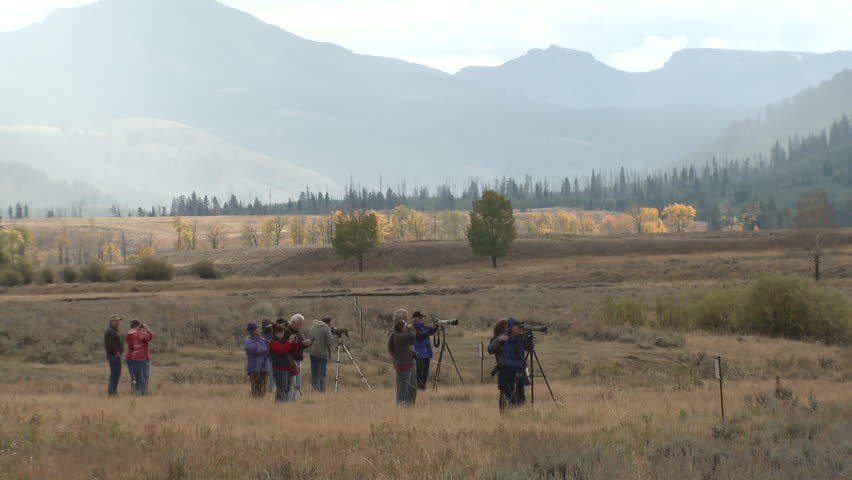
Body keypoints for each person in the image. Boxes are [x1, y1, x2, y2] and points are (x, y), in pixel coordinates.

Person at [488, 317, 533, 411]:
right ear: (512, 327)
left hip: (519, 372)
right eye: (518, 326)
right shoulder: (501, 338)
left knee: (520, 398)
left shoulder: (520, 339)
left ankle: (519, 417)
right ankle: (505, 419)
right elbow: (490, 349)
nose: (520, 328)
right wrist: (499, 340)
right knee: (505, 398)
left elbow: (530, 348)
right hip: (506, 373)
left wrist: (528, 337)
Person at [387, 309, 417, 406]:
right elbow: (411, 338)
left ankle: (408, 405)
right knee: (406, 386)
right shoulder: (397, 332)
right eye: (405, 317)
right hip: (403, 362)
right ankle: (404, 405)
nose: (408, 319)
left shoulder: (401, 330)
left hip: (407, 361)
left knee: (410, 385)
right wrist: (411, 329)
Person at [284, 314, 314, 401]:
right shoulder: (287, 332)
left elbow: (300, 344)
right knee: (291, 383)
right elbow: (288, 345)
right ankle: (289, 402)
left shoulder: (299, 332)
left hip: (299, 359)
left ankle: (295, 401)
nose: (301, 325)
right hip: (291, 360)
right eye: (300, 323)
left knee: (297, 384)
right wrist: (302, 343)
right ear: (293, 322)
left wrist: (307, 344)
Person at [268, 324, 300, 402]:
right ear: (278, 332)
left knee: (287, 389)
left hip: (288, 368)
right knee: (281, 389)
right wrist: (289, 341)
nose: (284, 334)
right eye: (283, 332)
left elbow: (293, 352)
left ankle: (283, 405)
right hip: (279, 369)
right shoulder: (273, 342)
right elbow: (282, 351)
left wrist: (294, 343)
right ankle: (279, 405)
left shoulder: (283, 341)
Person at [125, 320, 154, 396]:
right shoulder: (140, 334)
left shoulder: (128, 334)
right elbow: (150, 336)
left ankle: (134, 393)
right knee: (143, 377)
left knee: (134, 378)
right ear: (137, 326)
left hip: (130, 358)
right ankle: (143, 394)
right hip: (141, 358)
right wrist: (147, 328)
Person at [307, 316, 335, 393]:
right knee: (321, 374)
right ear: (328, 322)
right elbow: (330, 342)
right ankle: (321, 392)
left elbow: (308, 339)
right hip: (322, 354)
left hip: (312, 353)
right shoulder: (326, 328)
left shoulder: (313, 327)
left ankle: (314, 390)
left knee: (314, 374)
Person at [411, 311, 438, 390]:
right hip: (419, 353)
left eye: (422, 317)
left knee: (425, 374)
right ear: (415, 318)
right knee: (420, 372)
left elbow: (430, 331)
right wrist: (428, 330)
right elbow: (420, 336)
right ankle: (417, 388)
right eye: (420, 317)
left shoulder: (423, 327)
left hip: (426, 353)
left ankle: (422, 388)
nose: (421, 319)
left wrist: (435, 327)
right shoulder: (414, 327)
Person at [244, 322, 270, 398]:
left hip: (265, 367)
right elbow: (257, 349)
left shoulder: (262, 339)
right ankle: (255, 403)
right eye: (256, 329)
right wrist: (265, 349)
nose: (258, 330)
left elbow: (269, 347)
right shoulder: (248, 341)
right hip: (255, 368)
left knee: (263, 387)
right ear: (252, 330)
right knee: (255, 387)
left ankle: (261, 403)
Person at [104, 314, 124, 396]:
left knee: (116, 374)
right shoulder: (110, 331)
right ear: (112, 322)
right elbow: (109, 345)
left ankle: (113, 391)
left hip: (115, 355)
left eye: (119, 321)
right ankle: (112, 392)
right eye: (116, 321)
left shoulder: (114, 331)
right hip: (113, 356)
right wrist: (116, 352)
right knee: (115, 374)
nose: (118, 323)